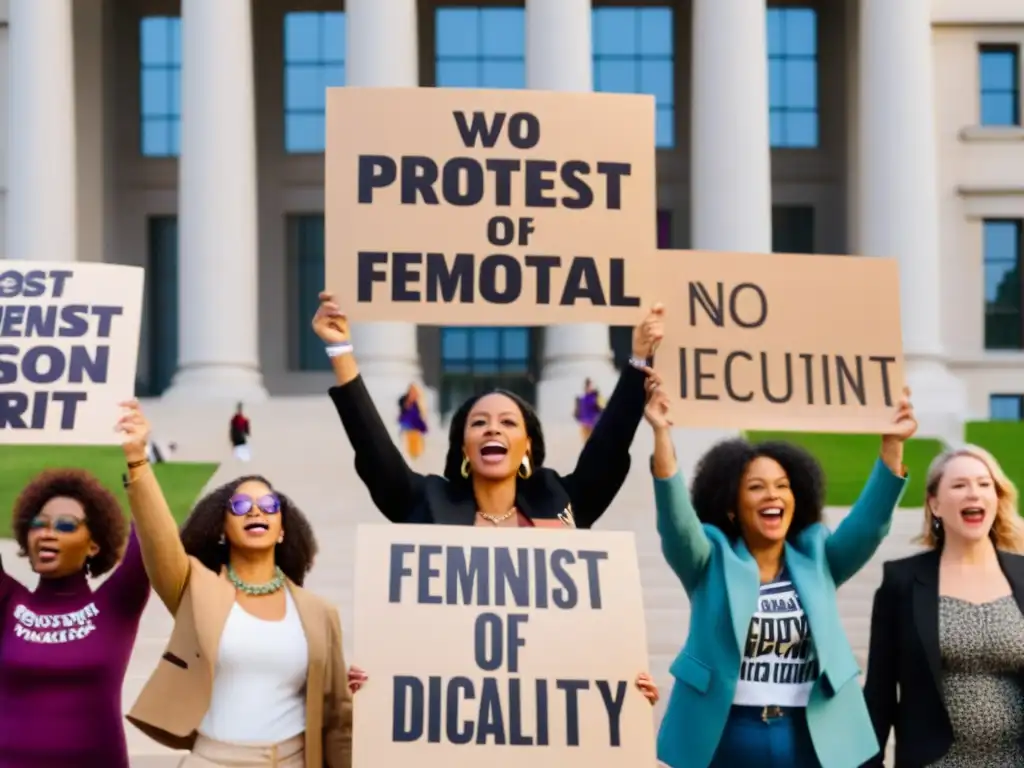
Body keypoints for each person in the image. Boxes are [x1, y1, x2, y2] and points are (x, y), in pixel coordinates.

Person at [647, 379, 917, 768]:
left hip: (809, 735)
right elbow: (676, 524)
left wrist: (892, 446)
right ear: (731, 507)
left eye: (783, 486)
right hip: (724, 735)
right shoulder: (709, 558)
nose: (773, 495)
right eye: (756, 487)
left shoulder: (817, 554)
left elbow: (870, 524)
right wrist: (662, 434)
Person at [117, 401, 352, 768]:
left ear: (283, 529)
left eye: (268, 505)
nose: (255, 511)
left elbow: (337, 718)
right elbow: (161, 540)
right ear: (222, 529)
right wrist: (138, 461)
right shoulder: (198, 588)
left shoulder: (320, 612)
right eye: (240, 506)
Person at [311, 291, 664, 528]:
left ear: (527, 445)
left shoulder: (558, 501)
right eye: (479, 423)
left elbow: (608, 449)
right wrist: (340, 351)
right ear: (464, 446)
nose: (493, 429)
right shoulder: (426, 504)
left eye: (508, 422)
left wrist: (638, 360)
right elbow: (376, 457)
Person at [863, 445, 1024, 767]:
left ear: (997, 496)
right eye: (959, 485)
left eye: (983, 483)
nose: (973, 493)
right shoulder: (902, 581)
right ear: (935, 504)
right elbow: (879, 694)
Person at [0, 464, 150, 767]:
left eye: (66, 525)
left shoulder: (116, 603)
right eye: (38, 524)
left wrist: (137, 463)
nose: (47, 534)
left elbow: (150, 534)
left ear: (94, 545)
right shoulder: (7, 601)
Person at [397, 383, 428, 460]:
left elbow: (421, 415)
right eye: (411, 391)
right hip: (407, 426)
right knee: (408, 444)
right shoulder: (405, 401)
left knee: (415, 445)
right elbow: (402, 411)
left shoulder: (418, 403)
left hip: (415, 427)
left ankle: (415, 455)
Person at [574, 377, 604, 442]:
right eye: (588, 386)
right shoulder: (582, 398)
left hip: (593, 425)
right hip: (584, 425)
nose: (590, 387)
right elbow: (577, 413)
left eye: (591, 386)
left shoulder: (596, 397)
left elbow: (603, 408)